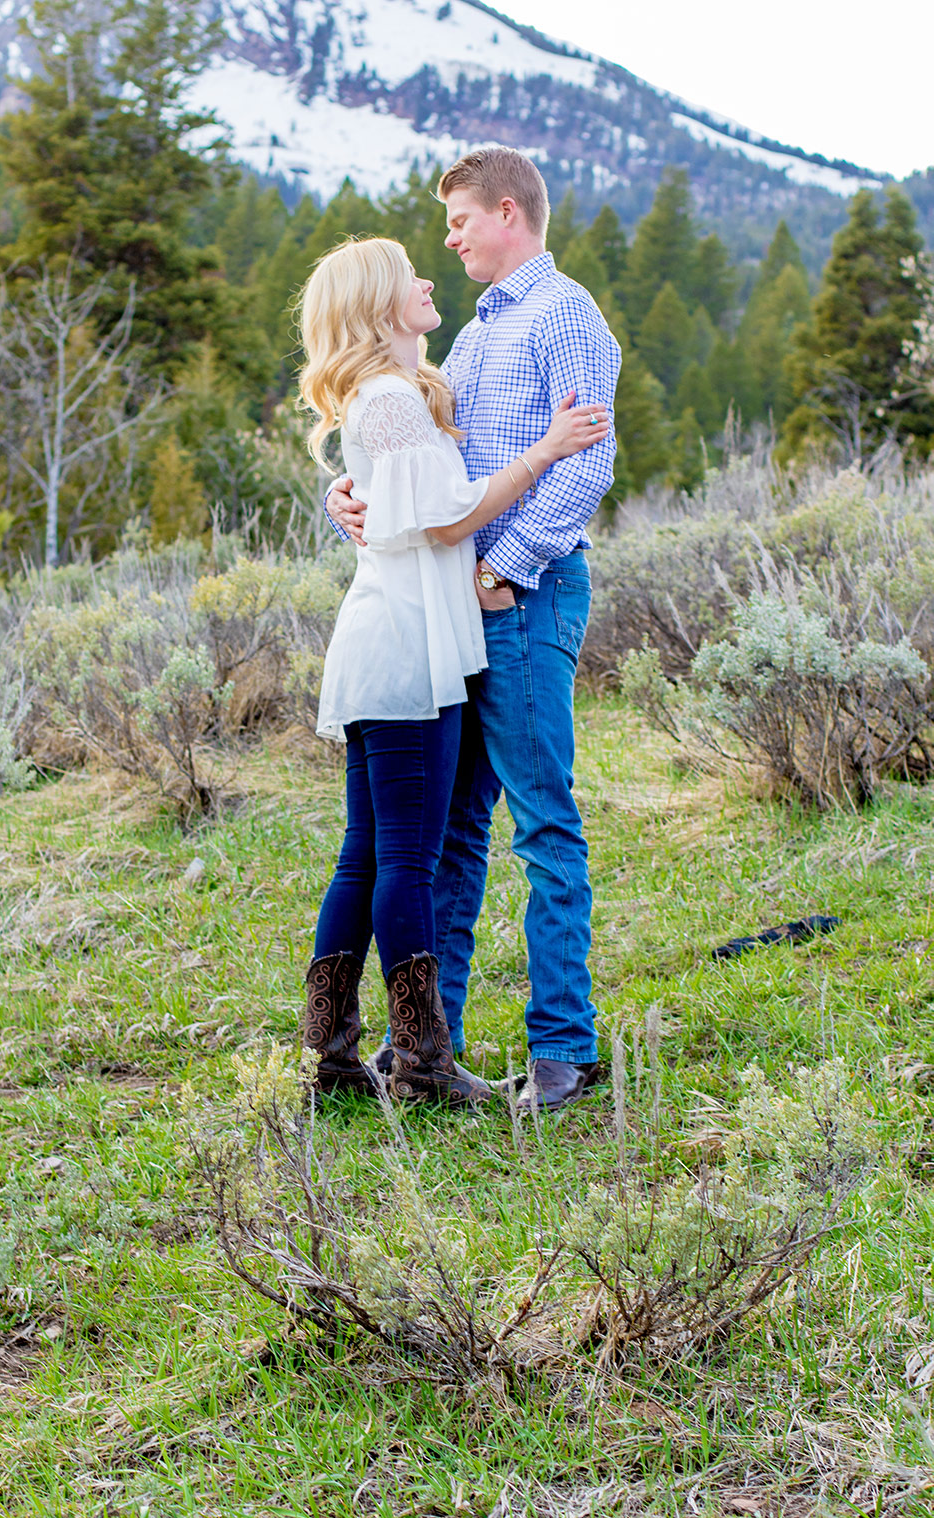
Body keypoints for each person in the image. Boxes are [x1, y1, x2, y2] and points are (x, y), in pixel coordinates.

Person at [326, 148, 622, 1113]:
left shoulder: (563, 315)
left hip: (522, 601)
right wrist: (350, 491)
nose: (447, 240)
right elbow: (415, 449)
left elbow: (586, 463)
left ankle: (563, 1053)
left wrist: (504, 564)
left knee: (541, 821)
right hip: (457, 610)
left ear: (507, 211)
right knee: (451, 833)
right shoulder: (481, 329)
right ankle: (425, 1052)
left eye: (458, 221)